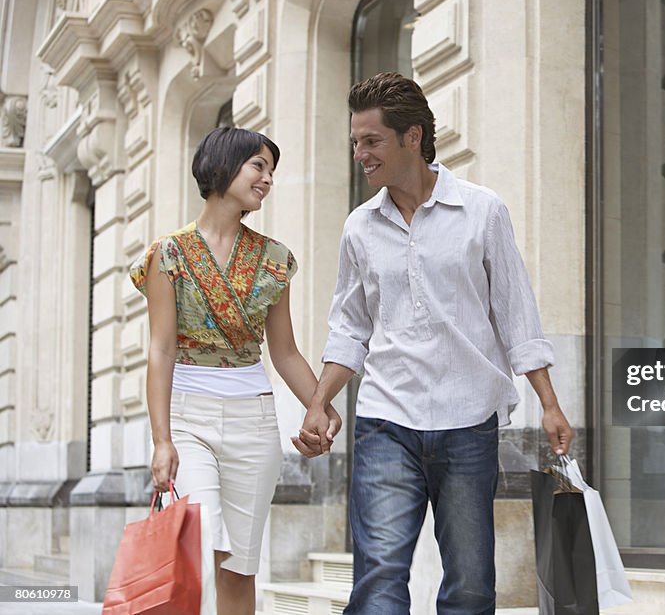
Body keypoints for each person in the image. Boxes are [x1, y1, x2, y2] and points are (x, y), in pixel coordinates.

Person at [294, 72, 574, 614]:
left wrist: (550, 402)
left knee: (470, 586)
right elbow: (350, 326)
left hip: (468, 421)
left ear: (413, 137)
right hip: (385, 419)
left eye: (371, 140)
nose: (360, 154)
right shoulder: (359, 228)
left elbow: (515, 310)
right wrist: (318, 401)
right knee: (377, 579)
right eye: (355, 142)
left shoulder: (481, 210)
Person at [130, 127, 341, 615]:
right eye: (258, 166)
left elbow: (285, 352)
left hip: (254, 420)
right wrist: (162, 440)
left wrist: (320, 405)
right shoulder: (169, 254)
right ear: (223, 167)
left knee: (239, 566)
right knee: (198, 542)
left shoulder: (274, 259)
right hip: (187, 418)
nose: (267, 179)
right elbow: (160, 351)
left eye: (271, 170)